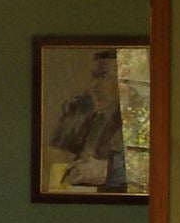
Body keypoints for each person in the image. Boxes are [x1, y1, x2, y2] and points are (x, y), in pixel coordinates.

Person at [47, 49, 127, 191]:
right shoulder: (87, 114)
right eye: (93, 77)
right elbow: (55, 158)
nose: (94, 86)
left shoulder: (139, 120)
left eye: (104, 77)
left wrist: (105, 170)